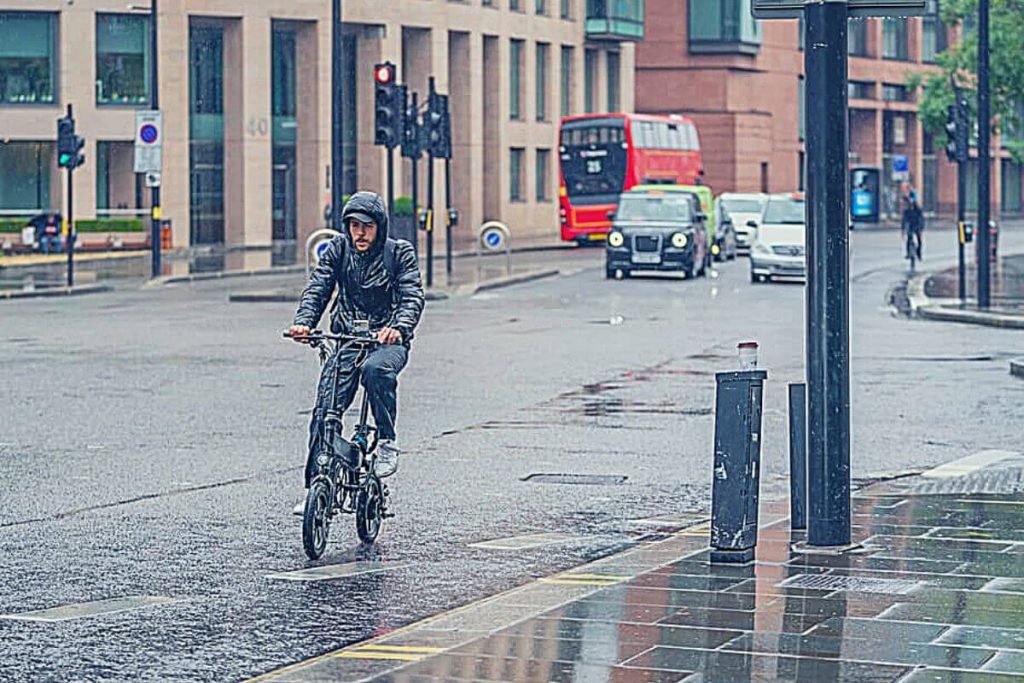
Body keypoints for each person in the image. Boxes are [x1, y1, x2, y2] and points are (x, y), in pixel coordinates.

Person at [288, 191, 424, 487]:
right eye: (354, 225)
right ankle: (316, 487)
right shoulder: (338, 249)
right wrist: (304, 322)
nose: (360, 233)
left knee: (375, 371)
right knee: (326, 408)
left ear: (380, 226)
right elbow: (318, 287)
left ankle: (387, 440)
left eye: (367, 226)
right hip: (348, 338)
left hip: (387, 341)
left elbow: (412, 296)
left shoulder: (399, 253)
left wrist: (398, 327)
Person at [901, 192, 924, 261]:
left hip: (917, 225)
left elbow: (921, 219)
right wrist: (903, 230)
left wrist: (921, 228)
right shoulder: (906, 210)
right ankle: (908, 253)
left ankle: (919, 254)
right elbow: (904, 220)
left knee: (919, 241)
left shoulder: (918, 209)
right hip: (910, 225)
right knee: (909, 238)